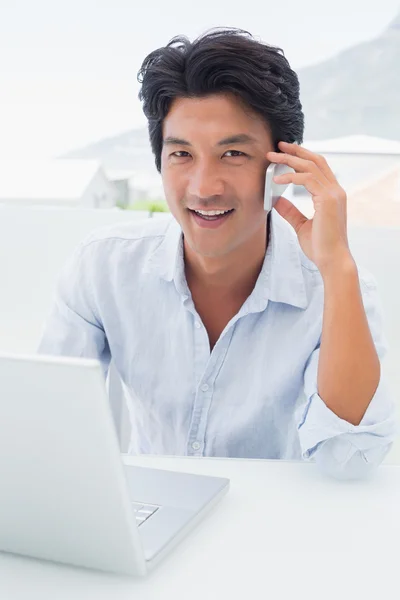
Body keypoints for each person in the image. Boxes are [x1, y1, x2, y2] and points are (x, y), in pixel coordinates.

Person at [38, 28, 396, 479]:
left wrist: (337, 268)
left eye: (232, 153)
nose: (204, 188)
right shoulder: (103, 268)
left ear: (280, 168)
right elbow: (48, 427)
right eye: (182, 154)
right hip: (146, 522)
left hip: (270, 531)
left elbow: (350, 460)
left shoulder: (337, 287)